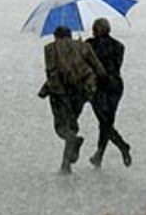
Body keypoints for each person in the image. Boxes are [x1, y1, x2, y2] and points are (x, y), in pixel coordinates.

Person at [38, 25, 107, 174]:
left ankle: (72, 145)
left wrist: (45, 90)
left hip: (60, 93)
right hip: (80, 92)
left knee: (62, 127)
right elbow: (99, 69)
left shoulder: (50, 48)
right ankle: (65, 165)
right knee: (72, 124)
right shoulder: (84, 46)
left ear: (55, 36)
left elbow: (52, 72)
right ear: (70, 34)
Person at [85, 18, 132, 168]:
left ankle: (121, 146)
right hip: (116, 85)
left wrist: (81, 46)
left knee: (104, 122)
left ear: (96, 30)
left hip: (99, 86)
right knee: (107, 122)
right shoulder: (119, 46)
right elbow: (116, 65)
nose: (92, 31)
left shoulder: (90, 45)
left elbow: (89, 65)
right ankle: (100, 155)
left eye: (94, 28)